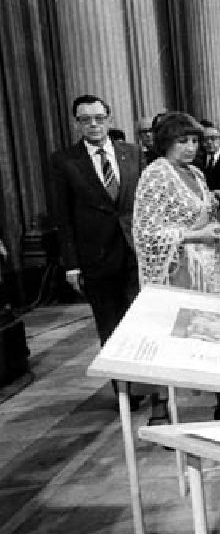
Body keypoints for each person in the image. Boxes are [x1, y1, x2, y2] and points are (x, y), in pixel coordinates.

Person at [132, 112, 220, 422]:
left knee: (216, 334)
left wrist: (213, 225)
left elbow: (203, 213)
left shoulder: (196, 173)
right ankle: (161, 409)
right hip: (176, 271)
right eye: (183, 141)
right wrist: (194, 234)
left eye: (195, 141)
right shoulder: (155, 175)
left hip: (209, 268)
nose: (191, 147)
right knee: (171, 340)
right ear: (166, 142)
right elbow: (145, 232)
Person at [51, 95, 143, 347]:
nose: (93, 124)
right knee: (110, 328)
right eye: (85, 119)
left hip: (135, 255)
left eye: (99, 118)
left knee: (141, 323)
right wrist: (71, 265)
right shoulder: (65, 161)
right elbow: (63, 217)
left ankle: (145, 385)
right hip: (96, 260)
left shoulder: (133, 154)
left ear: (108, 119)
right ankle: (123, 387)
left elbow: (146, 206)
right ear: (77, 124)